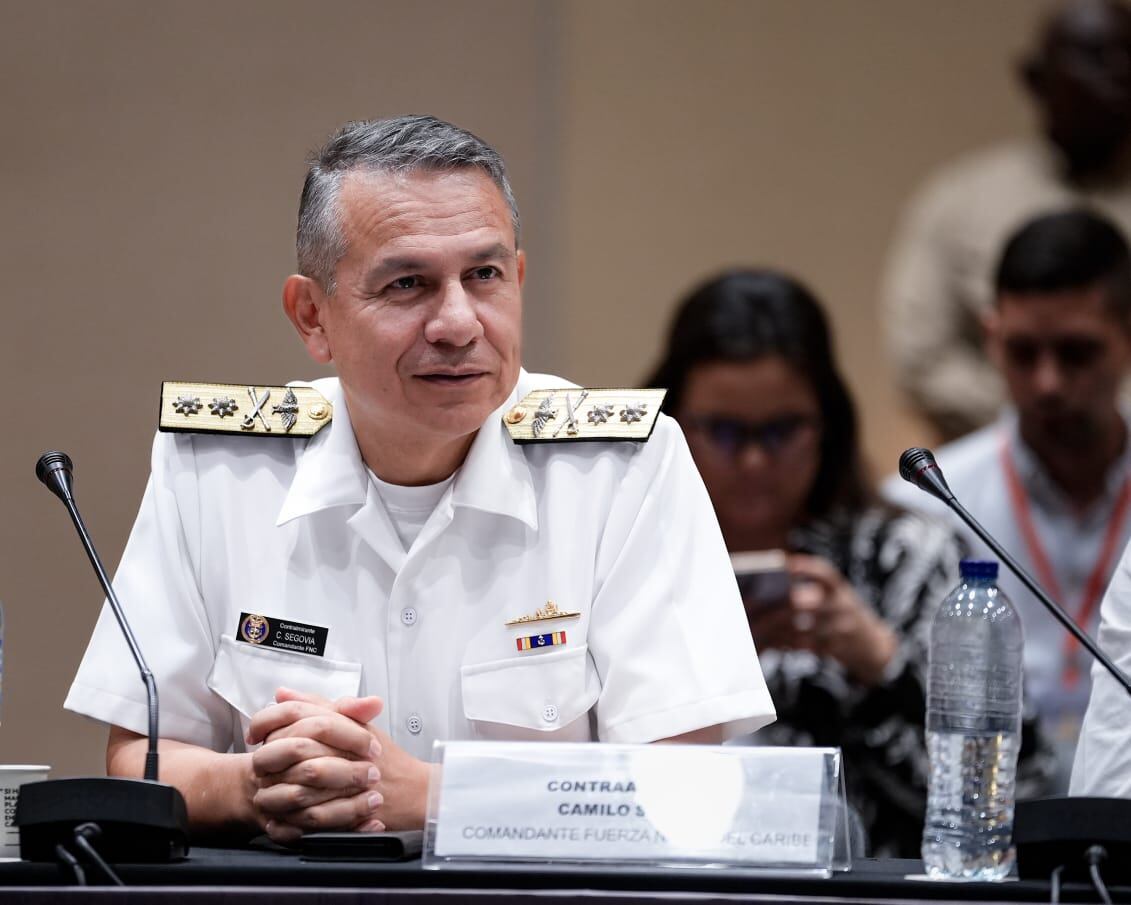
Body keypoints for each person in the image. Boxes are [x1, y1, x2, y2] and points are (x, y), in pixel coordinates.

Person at [63, 116, 775, 843]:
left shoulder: (622, 467)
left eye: (484, 276)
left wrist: (433, 795)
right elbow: (143, 756)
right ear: (313, 317)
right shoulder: (216, 469)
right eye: (408, 284)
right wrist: (256, 782)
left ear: (518, 280)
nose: (458, 322)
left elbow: (687, 790)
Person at [644, 269, 965, 858]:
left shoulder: (908, 557)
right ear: (670, 423)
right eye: (723, 430)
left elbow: (1002, 791)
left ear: (827, 425)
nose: (754, 461)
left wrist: (879, 663)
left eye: (781, 430)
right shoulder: (627, 549)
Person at [884, 208, 1131, 793]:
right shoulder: (926, 503)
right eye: (1023, 352)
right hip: (986, 825)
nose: (1047, 382)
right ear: (990, 336)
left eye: (1076, 353)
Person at [882, 0, 1131, 442]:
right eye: (1094, 56)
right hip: (996, 476)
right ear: (1035, 77)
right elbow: (923, 360)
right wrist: (1046, 407)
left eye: (1128, 54)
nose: (1119, 72)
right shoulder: (961, 202)